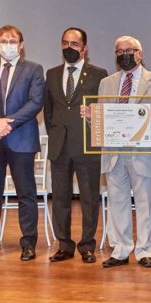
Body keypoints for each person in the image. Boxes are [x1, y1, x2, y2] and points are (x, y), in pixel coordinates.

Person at [0, 25, 45, 261]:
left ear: (21, 45)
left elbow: (35, 103)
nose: (8, 45)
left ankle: (29, 242)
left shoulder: (33, 69)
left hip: (21, 139)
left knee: (26, 194)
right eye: (3, 41)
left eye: (12, 41)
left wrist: (7, 124)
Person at [95, 36, 151, 269]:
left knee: (146, 203)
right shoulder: (106, 83)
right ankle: (120, 249)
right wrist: (91, 117)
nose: (124, 54)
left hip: (143, 153)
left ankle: (145, 250)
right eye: (119, 51)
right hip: (114, 152)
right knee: (117, 202)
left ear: (140, 53)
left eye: (129, 50)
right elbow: (101, 123)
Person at [43, 27, 108, 263]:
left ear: (85, 48)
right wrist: (55, 133)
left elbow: (105, 109)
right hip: (60, 145)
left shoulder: (99, 74)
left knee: (89, 197)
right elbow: (49, 111)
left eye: (75, 44)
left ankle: (87, 245)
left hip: (87, 144)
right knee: (60, 197)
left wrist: (93, 115)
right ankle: (64, 245)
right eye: (65, 43)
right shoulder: (51, 74)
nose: (69, 48)